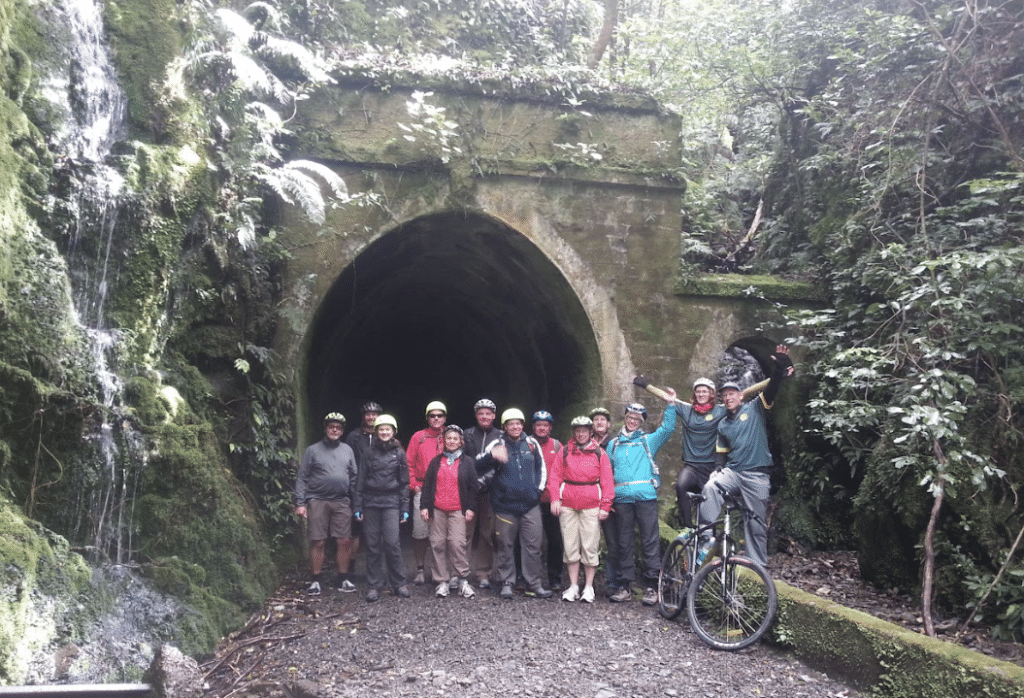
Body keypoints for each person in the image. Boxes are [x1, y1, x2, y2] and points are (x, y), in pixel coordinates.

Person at [697, 345, 794, 567]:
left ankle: (756, 565)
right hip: (733, 472)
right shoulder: (722, 424)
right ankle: (706, 538)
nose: (728, 398)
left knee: (756, 523)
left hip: (756, 475)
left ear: (740, 395)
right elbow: (721, 452)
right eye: (725, 395)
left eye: (732, 394)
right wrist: (718, 468)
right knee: (711, 488)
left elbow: (772, 389)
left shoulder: (755, 408)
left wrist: (779, 366)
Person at [607, 392, 677, 605]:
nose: (633, 421)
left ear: (641, 422)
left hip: (645, 497)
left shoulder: (648, 440)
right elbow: (607, 471)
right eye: (630, 417)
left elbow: (667, 429)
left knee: (649, 540)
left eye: (637, 419)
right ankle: (625, 585)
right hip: (621, 499)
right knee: (624, 542)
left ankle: (651, 586)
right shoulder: (614, 444)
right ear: (625, 418)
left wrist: (671, 405)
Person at [671, 379, 767, 529]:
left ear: (712, 394)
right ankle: (688, 527)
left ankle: (710, 538)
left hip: (712, 466)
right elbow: (670, 400)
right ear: (694, 393)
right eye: (698, 391)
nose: (701, 394)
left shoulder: (721, 410)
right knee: (681, 485)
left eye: (705, 391)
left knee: (710, 500)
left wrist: (776, 376)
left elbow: (738, 399)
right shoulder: (687, 409)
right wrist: (644, 384)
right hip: (692, 466)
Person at [477, 408, 552, 599]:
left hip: (529, 505)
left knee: (533, 546)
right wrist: (492, 456)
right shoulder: (497, 443)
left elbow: (541, 469)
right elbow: (478, 467)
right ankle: (507, 582)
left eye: (518, 423)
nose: (516, 427)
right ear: (505, 426)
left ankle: (533, 583)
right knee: (505, 545)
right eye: (511, 424)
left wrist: (537, 492)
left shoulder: (531, 443)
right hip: (505, 506)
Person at [548, 416, 614, 603]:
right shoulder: (565, 451)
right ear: (574, 433)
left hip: (591, 505)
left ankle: (589, 587)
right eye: (577, 431)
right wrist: (555, 499)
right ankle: (573, 585)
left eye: (584, 430)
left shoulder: (599, 453)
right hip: (568, 504)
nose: (581, 434)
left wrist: (606, 506)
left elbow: (607, 481)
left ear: (590, 432)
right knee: (570, 546)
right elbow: (555, 477)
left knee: (589, 546)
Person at [295, 412, 359, 594]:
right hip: (317, 500)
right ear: (325, 429)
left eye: (338, 427)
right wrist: (300, 503)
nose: (334, 430)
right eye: (331, 427)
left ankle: (343, 578)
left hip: (341, 501)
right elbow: (302, 477)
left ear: (342, 431)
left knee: (344, 540)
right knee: (318, 541)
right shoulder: (312, 450)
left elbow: (353, 478)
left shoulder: (347, 450)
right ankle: (315, 579)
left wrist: (357, 503)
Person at [354, 414, 411, 602]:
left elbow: (404, 482)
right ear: (376, 431)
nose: (385, 432)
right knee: (372, 545)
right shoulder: (368, 453)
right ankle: (373, 585)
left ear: (393, 431)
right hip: (371, 502)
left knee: (392, 544)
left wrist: (405, 506)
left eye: (388, 429)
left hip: (391, 502)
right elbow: (360, 481)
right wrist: (358, 505)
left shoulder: (399, 453)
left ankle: (399, 583)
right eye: (381, 429)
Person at [420, 424, 480, 599]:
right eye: (448, 438)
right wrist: (424, 506)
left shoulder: (467, 462)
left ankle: (462, 579)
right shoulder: (436, 461)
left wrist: (470, 508)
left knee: (457, 543)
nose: (452, 441)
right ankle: (442, 581)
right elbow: (427, 485)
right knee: (437, 543)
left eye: (455, 438)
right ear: (443, 441)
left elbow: (473, 488)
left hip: (458, 510)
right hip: (438, 509)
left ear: (460, 441)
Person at [407, 401, 447, 585]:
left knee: (442, 534)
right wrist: (413, 484)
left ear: (445, 418)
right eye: (433, 415)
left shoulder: (451, 435)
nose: (436, 418)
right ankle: (420, 569)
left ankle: (441, 571)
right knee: (420, 532)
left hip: (445, 490)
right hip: (422, 489)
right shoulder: (419, 437)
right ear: (427, 418)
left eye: (440, 415)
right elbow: (409, 463)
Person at [464, 398, 502, 588]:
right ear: (476, 415)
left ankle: (483, 572)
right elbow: (465, 463)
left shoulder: (501, 436)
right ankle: (459, 572)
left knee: (487, 534)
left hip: (490, 491)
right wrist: (488, 458)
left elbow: (501, 462)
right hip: (468, 491)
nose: (484, 416)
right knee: (464, 533)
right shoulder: (467, 435)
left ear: (494, 416)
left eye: (488, 413)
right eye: (481, 413)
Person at [344, 401, 382, 574]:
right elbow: (347, 460)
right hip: (357, 487)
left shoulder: (384, 434)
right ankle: (350, 569)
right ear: (363, 417)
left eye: (374, 414)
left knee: (377, 531)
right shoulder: (354, 436)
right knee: (355, 531)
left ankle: (376, 571)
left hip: (378, 487)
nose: (371, 417)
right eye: (368, 414)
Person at [531, 410, 564, 590]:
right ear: (533, 427)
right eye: (538, 425)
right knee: (530, 540)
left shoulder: (558, 446)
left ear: (550, 427)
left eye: (545, 425)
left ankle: (555, 577)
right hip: (531, 501)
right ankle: (528, 577)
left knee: (555, 540)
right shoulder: (527, 444)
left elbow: (563, 471)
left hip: (552, 500)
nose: (542, 428)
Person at [590, 406, 620, 596]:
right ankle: (587, 583)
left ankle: (612, 582)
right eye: (596, 419)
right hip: (589, 498)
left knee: (613, 543)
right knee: (587, 542)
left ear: (608, 423)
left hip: (609, 500)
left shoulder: (616, 444)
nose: (599, 422)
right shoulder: (586, 443)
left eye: (603, 419)